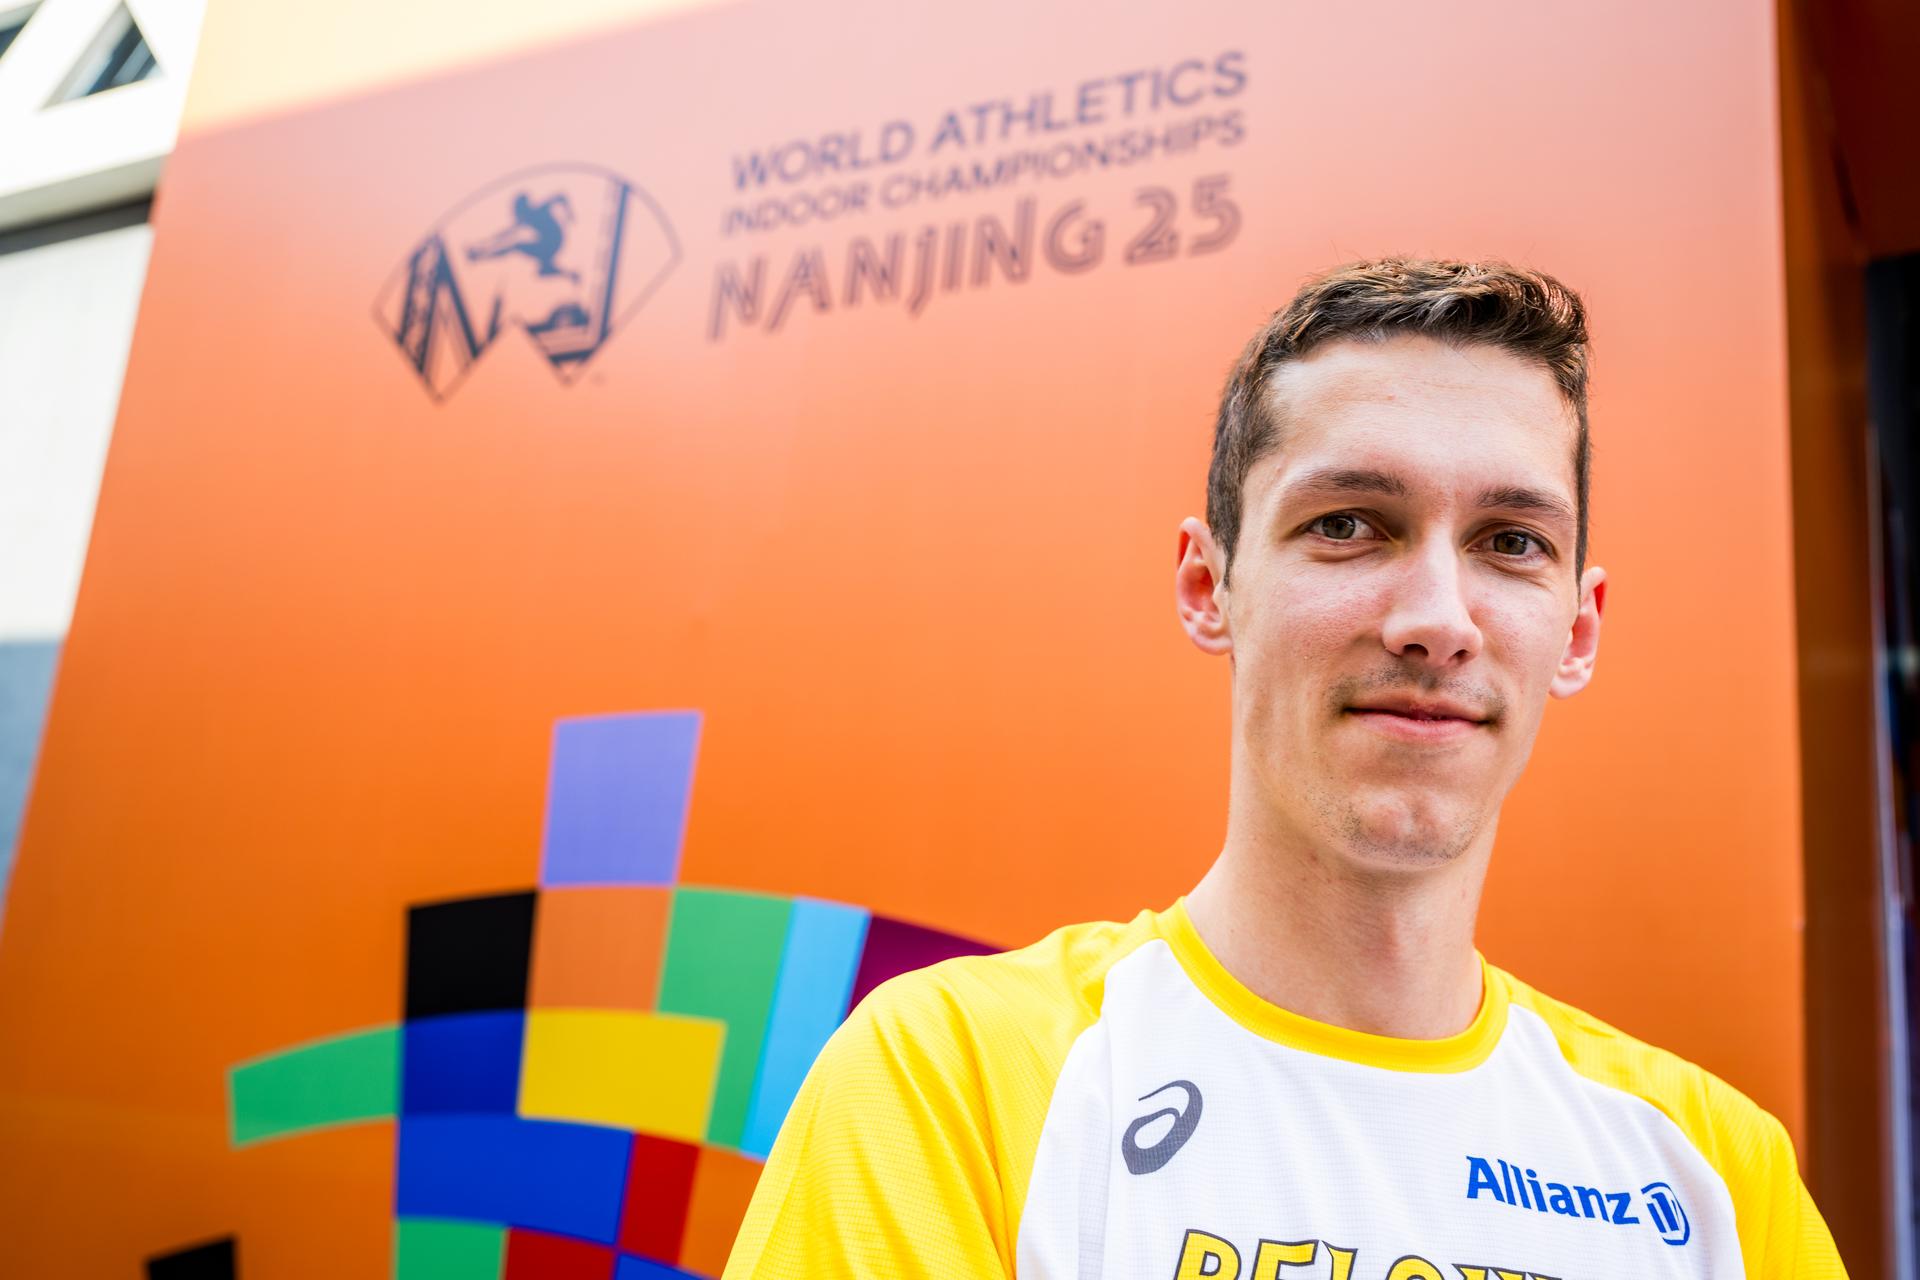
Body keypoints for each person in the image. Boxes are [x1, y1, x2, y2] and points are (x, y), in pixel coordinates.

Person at [721, 259, 1848, 1278]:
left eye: (1512, 542)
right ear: (1210, 586)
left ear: (1580, 627)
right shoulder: (953, 1082)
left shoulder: (1717, 1177)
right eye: (1350, 523)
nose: (1436, 619)